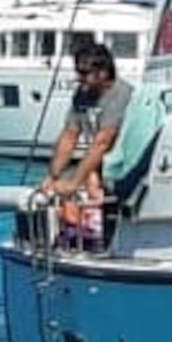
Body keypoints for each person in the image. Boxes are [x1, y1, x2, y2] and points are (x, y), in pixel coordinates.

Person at [44, 43, 134, 217]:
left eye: (84, 73)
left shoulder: (120, 94)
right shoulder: (82, 94)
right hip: (99, 165)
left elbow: (103, 142)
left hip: (120, 164)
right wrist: (53, 176)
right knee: (55, 187)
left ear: (103, 73)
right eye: (78, 71)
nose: (79, 77)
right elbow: (69, 136)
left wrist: (75, 183)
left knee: (81, 184)